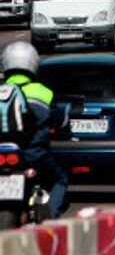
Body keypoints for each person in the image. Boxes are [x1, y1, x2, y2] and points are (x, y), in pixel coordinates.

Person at [1, 42, 68, 218]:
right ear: (32, 64)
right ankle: (50, 223)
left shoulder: (1, 91)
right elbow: (60, 121)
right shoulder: (44, 93)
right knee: (59, 180)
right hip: (32, 152)